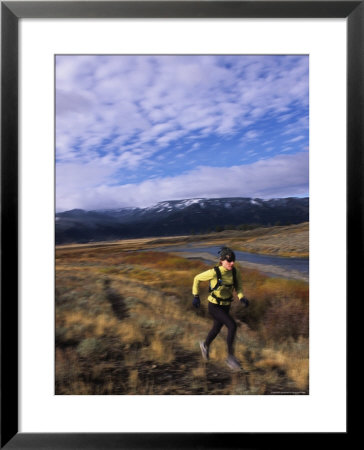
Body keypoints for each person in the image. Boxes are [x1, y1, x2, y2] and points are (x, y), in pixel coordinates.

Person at [192, 246, 249, 371]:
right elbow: (197, 278)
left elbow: (238, 287)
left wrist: (242, 297)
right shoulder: (214, 272)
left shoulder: (235, 272)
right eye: (229, 260)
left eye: (233, 260)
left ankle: (205, 345)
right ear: (222, 260)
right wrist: (196, 296)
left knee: (216, 329)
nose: (232, 263)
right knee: (232, 325)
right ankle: (230, 357)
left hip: (226, 306)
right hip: (214, 305)